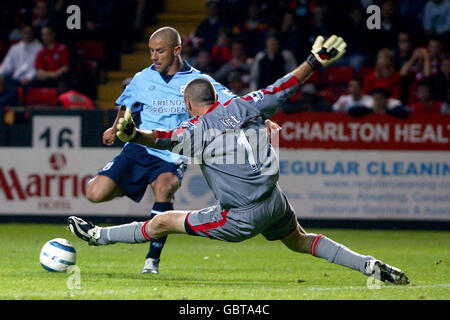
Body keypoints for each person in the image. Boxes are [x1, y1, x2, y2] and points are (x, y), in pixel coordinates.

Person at [68, 35, 409, 286]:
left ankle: (99, 235)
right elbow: (285, 85)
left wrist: (132, 133)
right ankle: (368, 265)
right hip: (274, 201)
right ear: (217, 96)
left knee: (162, 222)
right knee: (301, 240)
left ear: (189, 105)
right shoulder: (248, 104)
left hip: (239, 217)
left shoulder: (196, 130)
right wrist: (316, 60)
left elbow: (159, 138)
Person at [87, 27, 235, 275]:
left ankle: (152, 260)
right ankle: (125, 184)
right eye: (151, 51)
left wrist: (259, 120)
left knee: (165, 187)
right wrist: (114, 129)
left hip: (173, 151)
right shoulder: (142, 79)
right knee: (95, 194)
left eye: (159, 51)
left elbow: (233, 102)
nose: (154, 56)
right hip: (139, 147)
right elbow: (126, 105)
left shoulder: (199, 82)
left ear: (176, 50)